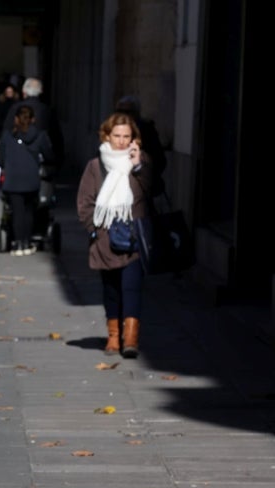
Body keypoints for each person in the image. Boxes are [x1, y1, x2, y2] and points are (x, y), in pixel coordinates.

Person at [76, 112, 153, 359]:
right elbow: (85, 201)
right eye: (117, 135)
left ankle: (130, 339)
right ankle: (113, 337)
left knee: (131, 288)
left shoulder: (140, 163)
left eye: (126, 136)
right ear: (107, 136)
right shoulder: (95, 166)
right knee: (111, 290)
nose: (121, 141)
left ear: (134, 139)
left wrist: (139, 165)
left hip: (133, 238)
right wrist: (94, 230)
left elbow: (154, 190)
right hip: (106, 238)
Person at [0, 105, 54, 255]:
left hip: (13, 179)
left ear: (16, 119)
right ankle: (27, 242)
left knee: (16, 212)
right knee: (29, 211)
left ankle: (17, 244)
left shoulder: (7, 136)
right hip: (31, 178)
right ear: (33, 119)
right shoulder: (40, 136)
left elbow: (1, 159)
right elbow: (49, 156)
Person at [115, 95, 167, 197]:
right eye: (119, 112)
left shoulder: (146, 131)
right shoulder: (112, 130)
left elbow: (159, 160)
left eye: (127, 112)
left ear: (135, 113)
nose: (122, 116)